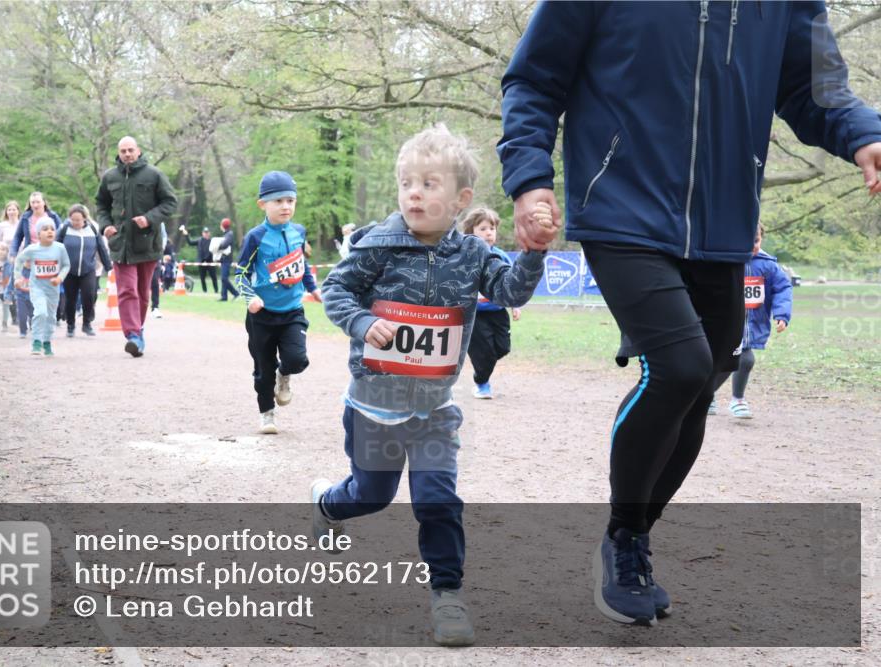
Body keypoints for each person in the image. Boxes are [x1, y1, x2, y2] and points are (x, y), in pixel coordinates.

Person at [498, 1, 881, 627]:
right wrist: (530, 177)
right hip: (618, 203)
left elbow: (816, 91)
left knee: (703, 380)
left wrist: (865, 132)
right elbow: (535, 78)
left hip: (724, 221)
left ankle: (634, 537)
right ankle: (623, 537)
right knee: (679, 365)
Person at [313, 125, 546, 647]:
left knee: (437, 500)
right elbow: (336, 289)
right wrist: (359, 323)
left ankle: (447, 595)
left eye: (429, 183)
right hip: (375, 402)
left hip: (435, 409)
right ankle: (328, 505)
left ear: (461, 199)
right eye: (406, 183)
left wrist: (530, 252)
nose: (413, 193)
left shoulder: (474, 255)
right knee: (371, 496)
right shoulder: (379, 244)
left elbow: (510, 292)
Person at [236, 170, 322, 434]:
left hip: (292, 311)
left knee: (297, 359)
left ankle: (284, 376)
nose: (286, 206)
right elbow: (239, 274)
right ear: (263, 204)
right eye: (278, 201)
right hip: (262, 315)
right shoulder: (256, 237)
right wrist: (251, 297)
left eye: (290, 201)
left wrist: (312, 288)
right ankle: (267, 414)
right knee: (263, 368)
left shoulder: (298, 231)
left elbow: (301, 263)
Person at [95, 136, 178, 357]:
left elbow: (170, 202)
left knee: (142, 292)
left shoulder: (154, 174)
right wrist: (105, 226)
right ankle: (132, 334)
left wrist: (150, 218)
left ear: (138, 151)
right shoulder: (110, 177)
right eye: (123, 151)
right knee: (127, 289)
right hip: (120, 244)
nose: (127, 154)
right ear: (119, 153)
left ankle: (137, 333)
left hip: (147, 243)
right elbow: (101, 205)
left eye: (131, 150)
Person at [710, 224, 793, 418]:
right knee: (721, 360)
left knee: (745, 358)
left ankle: (737, 399)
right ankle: (707, 395)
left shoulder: (768, 265)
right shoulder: (724, 262)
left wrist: (782, 314)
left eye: (755, 242)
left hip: (750, 324)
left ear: (761, 238)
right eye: (745, 242)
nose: (751, 247)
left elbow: (783, 289)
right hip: (723, 322)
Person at [460, 207, 522, 399]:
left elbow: (510, 283)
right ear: (471, 232)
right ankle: (482, 383)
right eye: (483, 228)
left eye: (492, 228)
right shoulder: (464, 256)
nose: (489, 232)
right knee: (484, 352)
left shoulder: (501, 256)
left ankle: (482, 365)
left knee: (503, 347)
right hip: (475, 314)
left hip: (497, 311)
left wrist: (515, 304)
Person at [11, 220, 70, 356]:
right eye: (45, 229)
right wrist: (17, 278)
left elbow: (66, 265)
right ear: (38, 234)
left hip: (53, 289)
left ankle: (47, 342)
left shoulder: (60, 248)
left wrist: (60, 277)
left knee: (50, 317)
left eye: (52, 229)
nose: (49, 231)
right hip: (37, 287)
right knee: (40, 312)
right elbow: (19, 260)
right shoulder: (32, 249)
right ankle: (36, 341)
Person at [57, 204, 112, 337]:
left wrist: (108, 266)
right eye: (73, 220)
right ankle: (70, 325)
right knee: (70, 299)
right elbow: (56, 246)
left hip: (88, 269)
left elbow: (101, 248)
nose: (76, 223)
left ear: (84, 219)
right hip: (69, 270)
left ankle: (87, 324)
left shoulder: (92, 229)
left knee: (89, 296)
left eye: (78, 220)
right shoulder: (64, 229)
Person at [179, 224, 218, 293]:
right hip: (201, 262)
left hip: (210, 262)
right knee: (202, 278)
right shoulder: (199, 240)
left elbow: (215, 250)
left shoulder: (212, 241)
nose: (206, 234)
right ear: (202, 233)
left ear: (209, 233)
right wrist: (186, 234)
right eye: (204, 232)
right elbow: (190, 242)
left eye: (207, 232)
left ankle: (216, 291)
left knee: (214, 277)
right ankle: (204, 291)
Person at [216, 217, 239, 301]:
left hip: (227, 259)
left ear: (222, 226)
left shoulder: (229, 234)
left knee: (224, 278)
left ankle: (235, 293)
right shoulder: (228, 234)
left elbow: (225, 245)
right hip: (224, 259)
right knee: (223, 278)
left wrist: (217, 246)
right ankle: (224, 296)